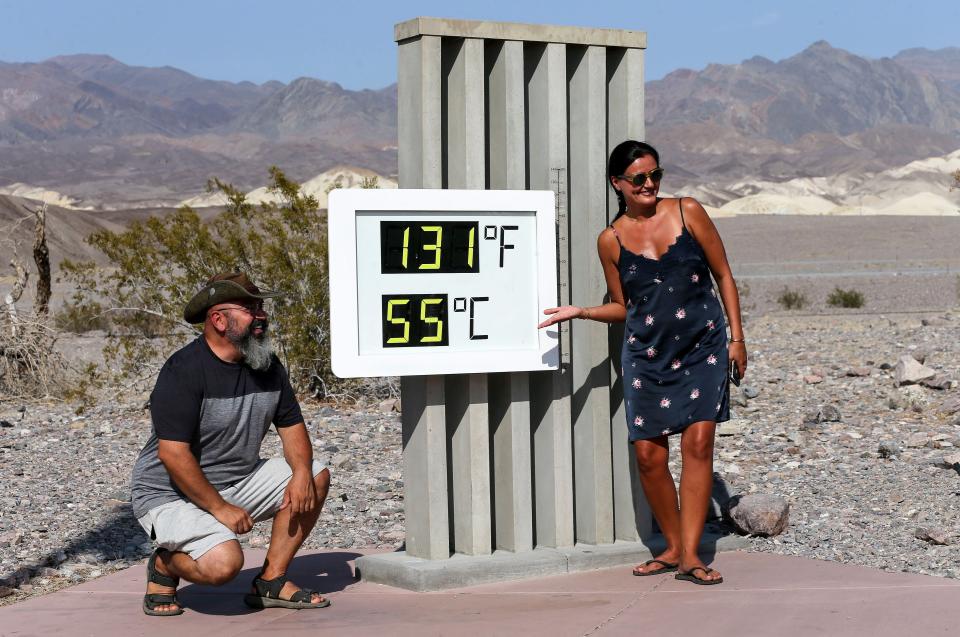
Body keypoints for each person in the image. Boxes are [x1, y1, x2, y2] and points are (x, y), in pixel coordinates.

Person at [539, 141, 746, 586]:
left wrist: (737, 338)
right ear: (619, 184)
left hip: (702, 346)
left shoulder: (689, 211)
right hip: (646, 355)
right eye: (639, 178)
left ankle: (692, 556)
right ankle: (672, 546)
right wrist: (582, 312)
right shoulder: (610, 240)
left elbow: (723, 274)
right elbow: (622, 305)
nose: (650, 183)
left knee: (698, 444)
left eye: (656, 174)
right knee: (649, 456)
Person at [130, 272, 332, 615]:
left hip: (237, 481)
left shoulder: (267, 366)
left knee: (314, 476)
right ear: (219, 319)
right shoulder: (184, 371)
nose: (262, 316)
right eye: (250, 308)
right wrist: (220, 509)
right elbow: (172, 454)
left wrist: (299, 472)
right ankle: (165, 565)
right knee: (224, 565)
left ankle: (271, 580)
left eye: (261, 307)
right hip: (168, 494)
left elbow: (292, 427)